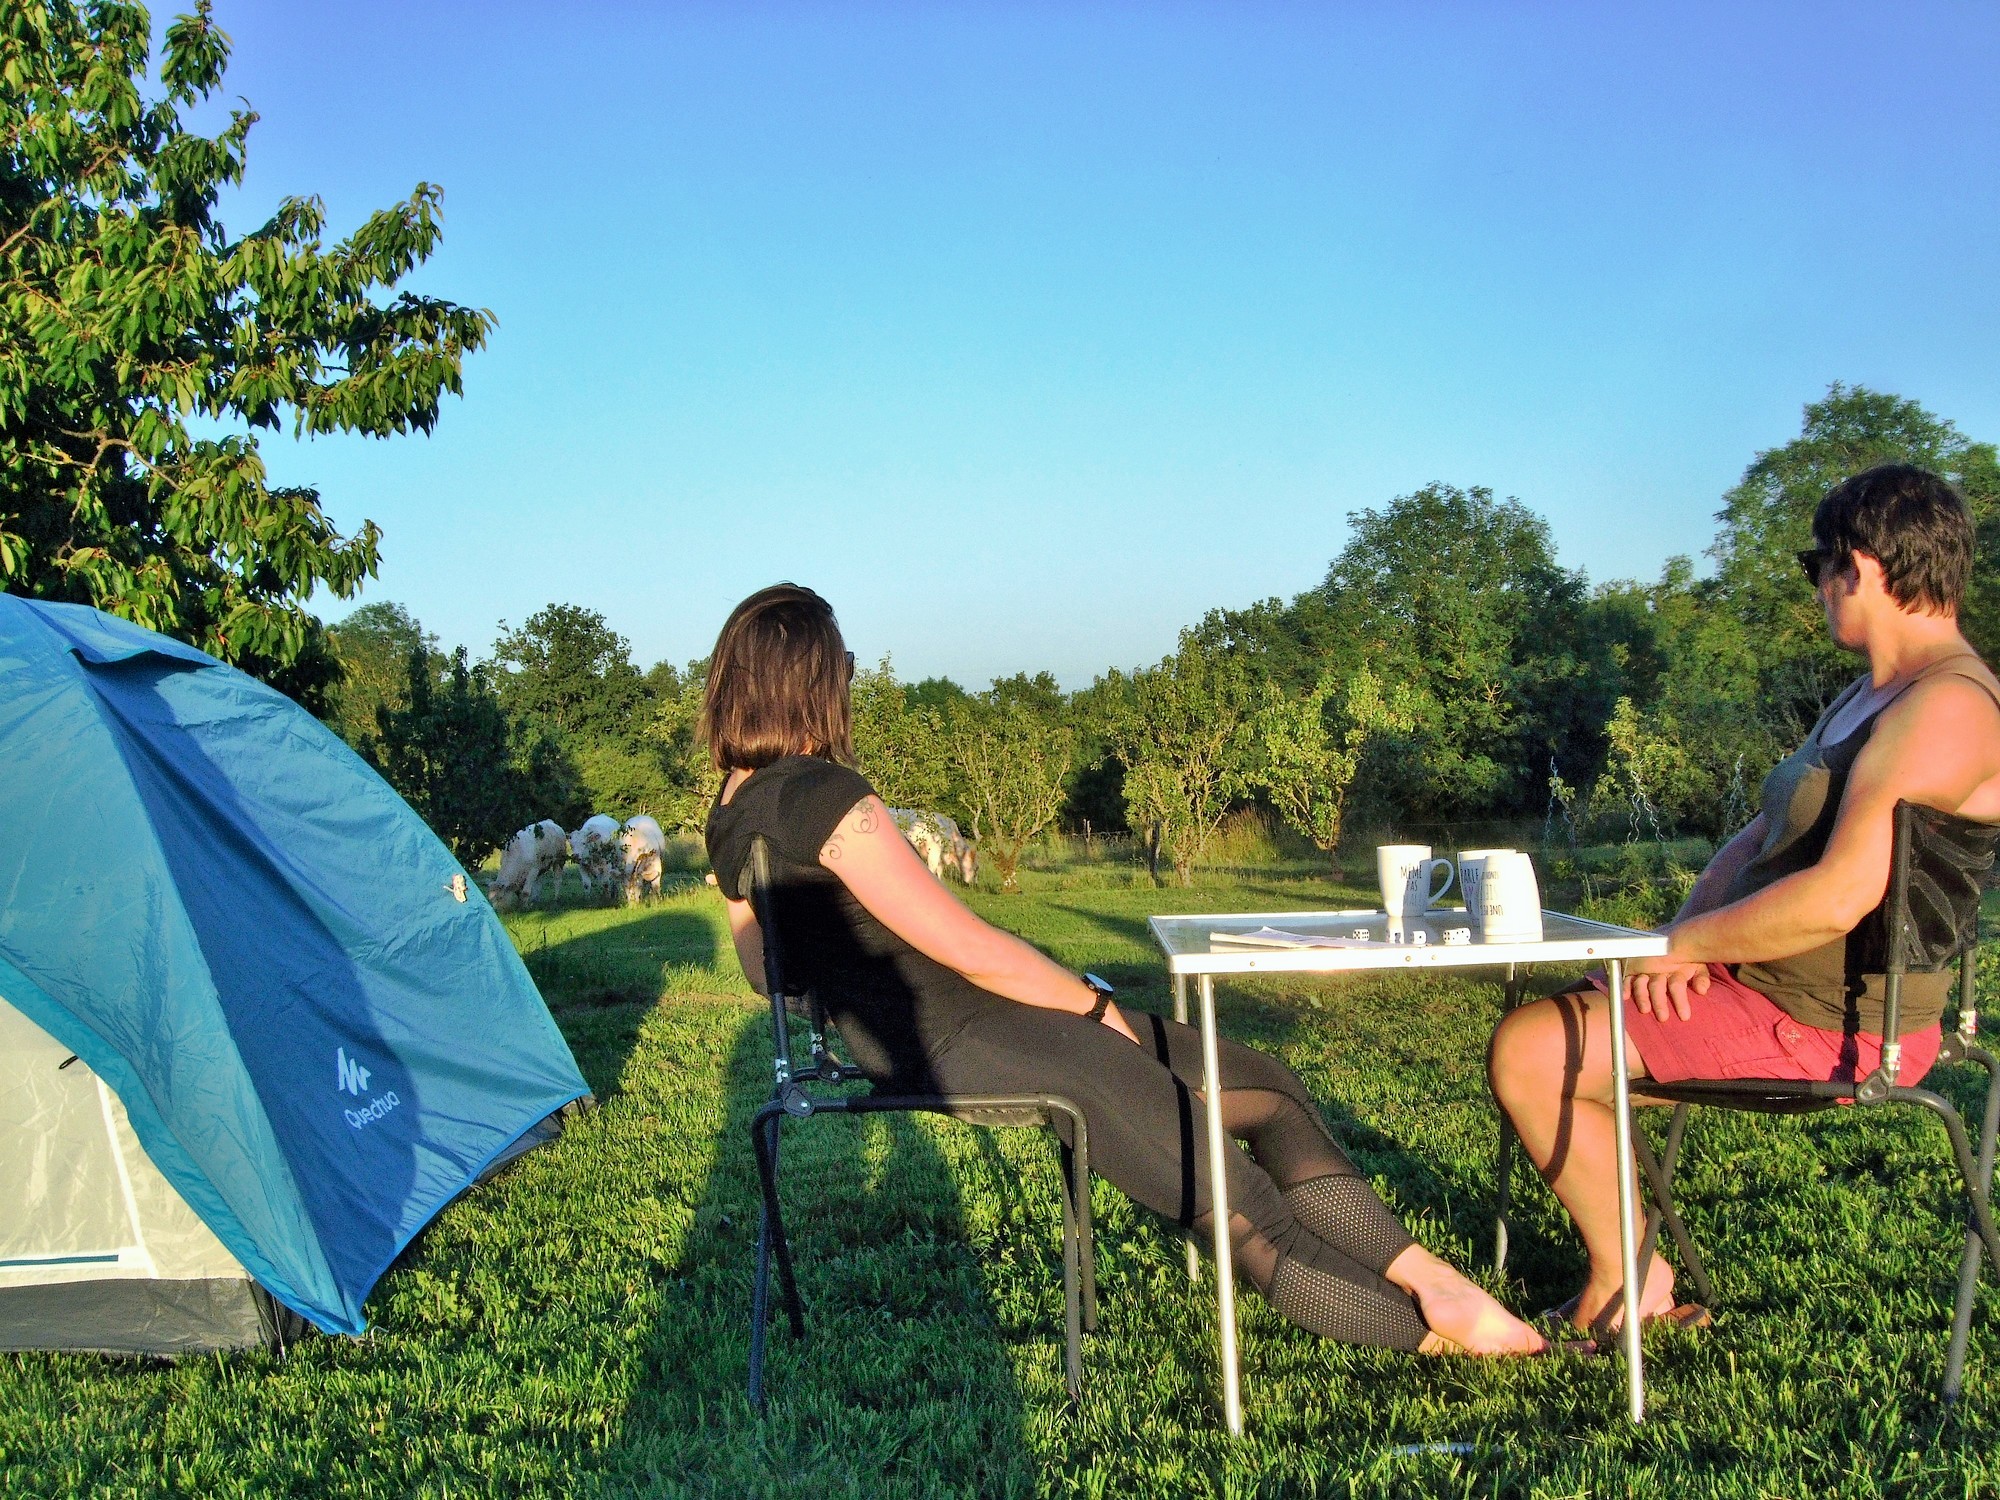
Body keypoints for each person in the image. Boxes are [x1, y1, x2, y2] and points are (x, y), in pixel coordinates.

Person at [703, 583, 1550, 1356]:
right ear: (810, 680)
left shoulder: (729, 812)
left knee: (1264, 1085)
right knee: (1245, 1210)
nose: (849, 682)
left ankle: (1434, 1279)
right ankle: (1446, 1337)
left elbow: (762, 974)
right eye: (842, 666)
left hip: (942, 1037)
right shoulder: (826, 797)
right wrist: (1095, 1010)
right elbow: (973, 949)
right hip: (976, 1036)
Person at [1489, 463, 2000, 1334]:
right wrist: (1681, 942)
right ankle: (1631, 1262)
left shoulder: (1949, 707)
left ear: (1862, 565)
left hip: (1838, 1022)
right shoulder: (1870, 692)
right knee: (1553, 1038)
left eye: (1818, 568)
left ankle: (1631, 1285)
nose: (1817, 593)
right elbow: (1757, 841)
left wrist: (1682, 954)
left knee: (1531, 1055)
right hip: (1758, 984)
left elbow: (1842, 896)